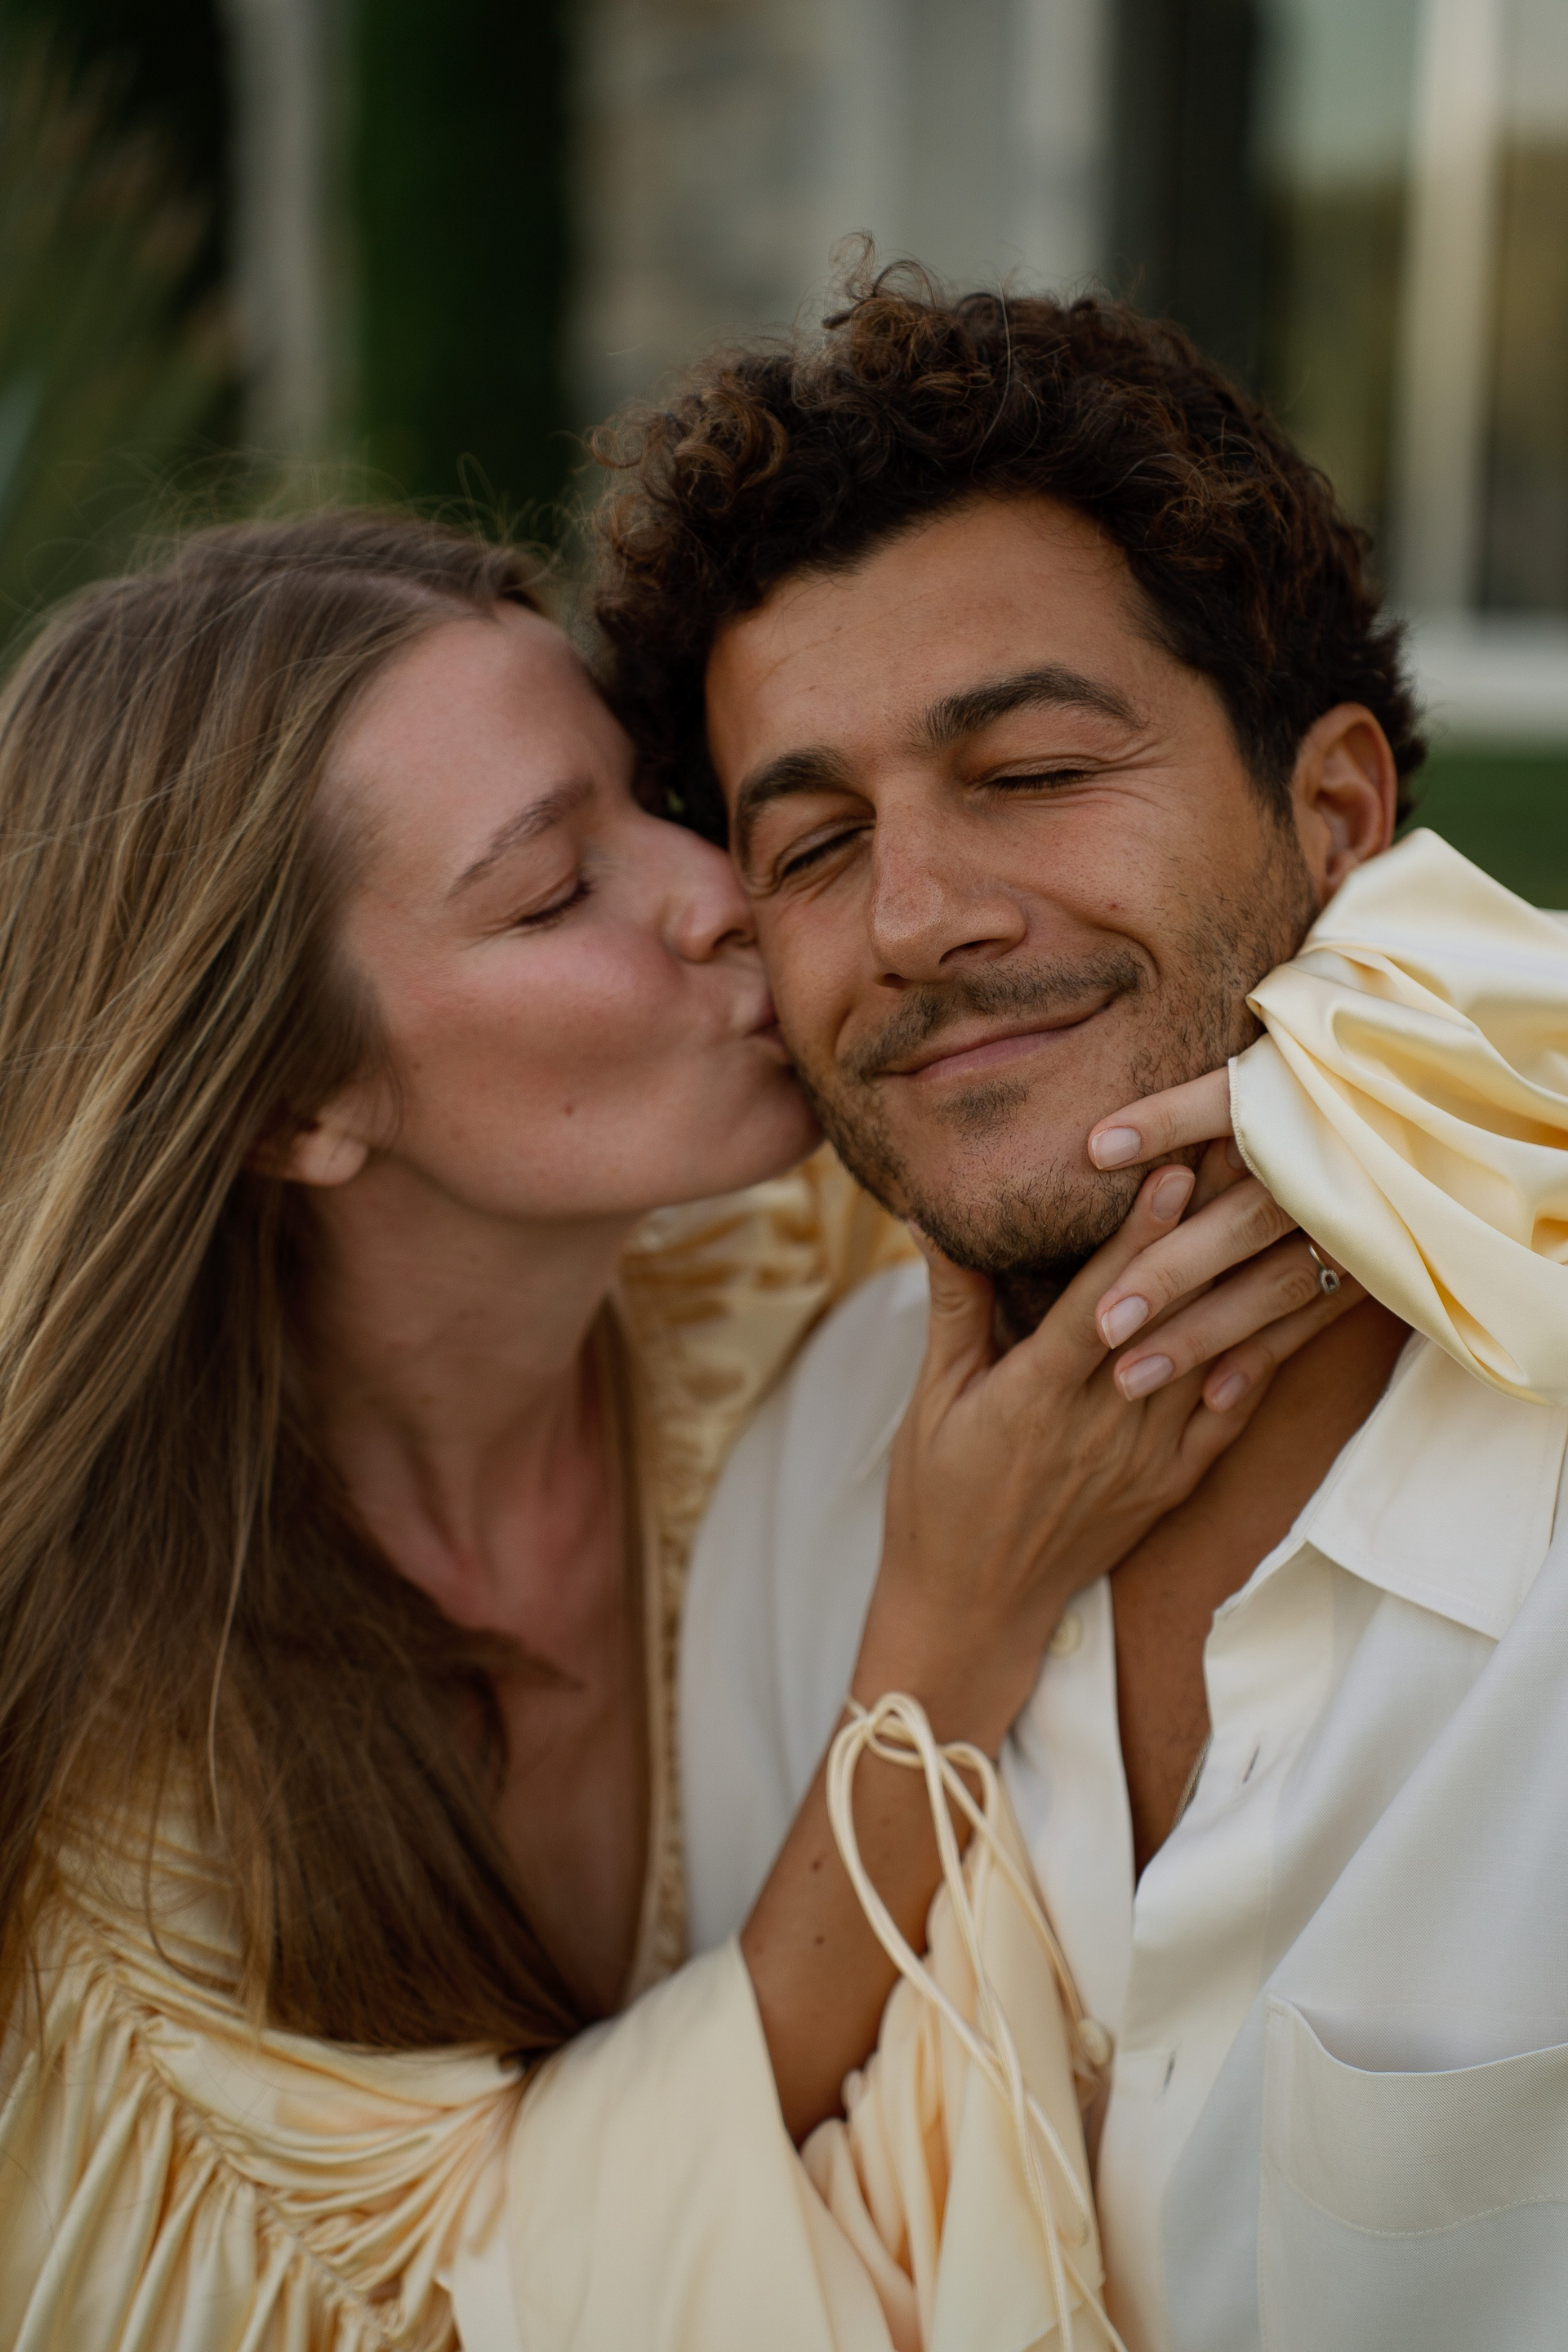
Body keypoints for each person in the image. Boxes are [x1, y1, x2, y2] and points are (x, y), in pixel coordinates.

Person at [0, 510, 1350, 2352]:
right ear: (295, 1102)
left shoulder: (790, 1276)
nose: (722, 890)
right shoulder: (99, 1778)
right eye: (556, 890)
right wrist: (944, 1636)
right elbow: (460, 2298)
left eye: (655, 798)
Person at [593, 267, 1568, 2352]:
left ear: (1336, 818)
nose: (916, 919)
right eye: (815, 845)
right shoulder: (790, 1492)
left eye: (1031, 770)